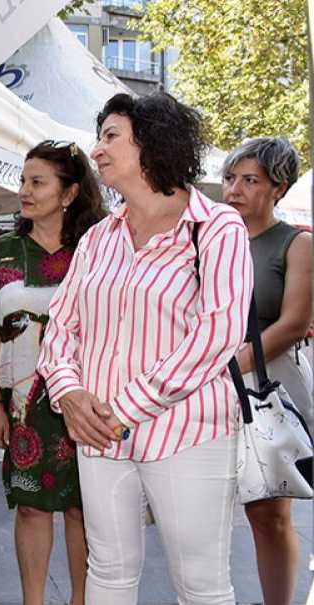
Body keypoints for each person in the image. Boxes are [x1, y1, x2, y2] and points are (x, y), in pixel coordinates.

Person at [38, 92, 251, 604]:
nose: (98, 150)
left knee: (201, 586)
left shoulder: (217, 228)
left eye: (111, 136)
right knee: (107, 574)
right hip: (98, 434)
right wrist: (68, 392)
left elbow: (217, 334)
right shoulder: (98, 239)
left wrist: (121, 410)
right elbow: (61, 326)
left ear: (152, 142)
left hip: (187, 434)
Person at [0, 140, 105, 605]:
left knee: (82, 511)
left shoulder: (98, 246)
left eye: (36, 182)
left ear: (68, 194)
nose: (24, 191)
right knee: (30, 508)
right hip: (24, 405)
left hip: (87, 400)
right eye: (23, 181)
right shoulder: (5, 250)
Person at [222, 137, 312, 605]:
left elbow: (294, 323)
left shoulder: (296, 244)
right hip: (211, 388)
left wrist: (230, 365)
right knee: (208, 506)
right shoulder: (212, 240)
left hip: (264, 385)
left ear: (278, 188)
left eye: (249, 180)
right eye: (230, 178)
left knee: (268, 511)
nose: (234, 189)